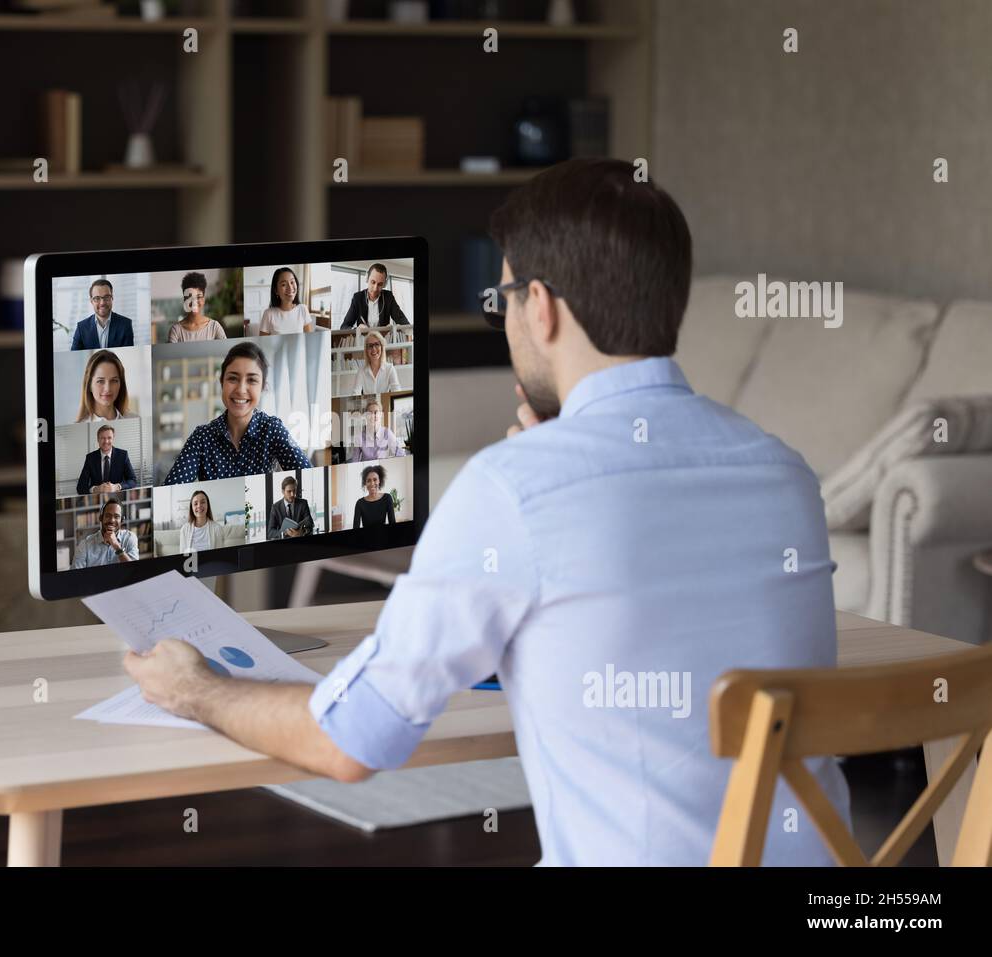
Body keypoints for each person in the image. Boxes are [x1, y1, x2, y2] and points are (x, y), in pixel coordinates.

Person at [120, 158, 848, 867]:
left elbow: (348, 741)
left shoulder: (516, 486)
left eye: (501, 302)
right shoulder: (783, 472)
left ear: (542, 307)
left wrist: (195, 687)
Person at [163, 341, 312, 484]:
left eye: (252, 380)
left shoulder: (272, 429)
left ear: (262, 388)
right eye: (233, 378)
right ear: (222, 382)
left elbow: (309, 478)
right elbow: (171, 489)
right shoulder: (201, 437)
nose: (241, 389)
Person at [338, 263, 409, 330]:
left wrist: (394, 328)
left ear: (384, 284)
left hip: (383, 340)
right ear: (367, 279)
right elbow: (344, 326)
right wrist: (357, 329)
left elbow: (405, 323)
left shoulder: (388, 297)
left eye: (380, 284)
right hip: (363, 339)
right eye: (373, 282)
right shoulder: (358, 298)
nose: (375, 289)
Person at [71, 498, 139, 567]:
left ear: (122, 520)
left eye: (116, 516)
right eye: (108, 516)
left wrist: (116, 546)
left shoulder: (130, 538)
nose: (112, 520)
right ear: (101, 518)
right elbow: (75, 575)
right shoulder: (84, 545)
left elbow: (134, 570)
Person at [70, 279, 135, 350]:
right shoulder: (81, 327)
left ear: (112, 298)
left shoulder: (126, 324)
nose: (102, 303)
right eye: (97, 298)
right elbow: (74, 356)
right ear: (91, 301)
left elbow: (127, 355)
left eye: (106, 297)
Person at [76, 424, 138, 494]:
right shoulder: (90, 458)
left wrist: (116, 487)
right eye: (102, 438)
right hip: (97, 500)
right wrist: (96, 489)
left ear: (113, 438)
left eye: (109, 438)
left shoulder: (123, 455)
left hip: (118, 497)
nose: (106, 441)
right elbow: (80, 487)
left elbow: (133, 480)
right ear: (98, 439)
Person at [168, 272, 228, 342]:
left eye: (198, 297)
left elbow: (226, 351)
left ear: (203, 300)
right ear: (185, 300)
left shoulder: (214, 327)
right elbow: (171, 353)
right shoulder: (176, 330)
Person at [75, 349, 130, 422]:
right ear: (89, 385)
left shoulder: (135, 419)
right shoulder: (79, 428)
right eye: (100, 381)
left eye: (114, 381)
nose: (107, 389)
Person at [258, 266, 315, 335]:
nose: (290, 288)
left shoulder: (303, 309)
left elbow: (309, 339)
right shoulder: (268, 314)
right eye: (283, 284)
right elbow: (263, 343)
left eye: (292, 282)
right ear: (276, 290)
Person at [351, 330, 401, 396]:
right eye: (370, 346)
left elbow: (397, 392)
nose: (374, 349)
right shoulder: (361, 371)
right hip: (368, 406)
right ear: (366, 350)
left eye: (377, 344)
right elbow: (355, 393)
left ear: (382, 347)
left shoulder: (390, 369)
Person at [267, 475, 314, 540]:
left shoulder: (303, 503)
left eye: (294, 490)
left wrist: (302, 532)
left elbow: (310, 524)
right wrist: (285, 533)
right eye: (289, 491)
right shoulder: (275, 507)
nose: (292, 494)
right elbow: (270, 532)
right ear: (283, 491)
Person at [352, 464, 396, 528]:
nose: (372, 483)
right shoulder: (359, 503)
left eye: (375, 480)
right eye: (368, 481)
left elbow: (393, 523)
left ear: (379, 481)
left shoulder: (387, 498)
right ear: (365, 483)